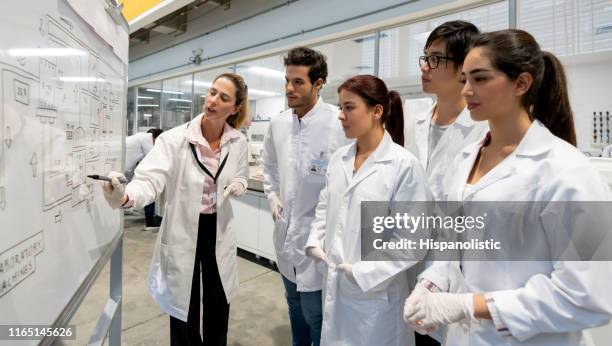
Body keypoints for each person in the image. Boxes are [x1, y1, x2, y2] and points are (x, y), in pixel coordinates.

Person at [403, 29, 612, 345]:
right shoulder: (465, 160)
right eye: (464, 79)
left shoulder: (566, 170)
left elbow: (588, 295)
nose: (468, 90)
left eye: (480, 79)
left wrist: (471, 305)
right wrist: (430, 285)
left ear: (521, 83)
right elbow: (453, 244)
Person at [101, 73, 250, 346]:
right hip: (184, 229)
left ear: (236, 108)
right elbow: (148, 181)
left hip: (217, 227)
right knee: (184, 304)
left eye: (223, 97)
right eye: (212, 92)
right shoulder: (174, 140)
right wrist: (125, 197)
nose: (213, 100)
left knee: (218, 302)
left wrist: (240, 182)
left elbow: (241, 172)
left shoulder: (238, 142)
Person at [305, 74, 433, 346]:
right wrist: (315, 240)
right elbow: (326, 206)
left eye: (349, 107)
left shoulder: (403, 166)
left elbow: (412, 241)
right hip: (336, 286)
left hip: (376, 298)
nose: (341, 115)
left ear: (376, 111)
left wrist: (363, 272)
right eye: (340, 107)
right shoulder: (340, 158)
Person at [261, 46, 346, 346]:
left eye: (298, 82)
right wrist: (272, 196)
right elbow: (268, 164)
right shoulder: (279, 123)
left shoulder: (338, 123)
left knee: (316, 314)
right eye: (287, 80)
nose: (288, 88)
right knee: (293, 304)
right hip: (286, 235)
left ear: (318, 84)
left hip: (319, 243)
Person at [404, 20, 488, 200]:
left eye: (435, 59)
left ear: (464, 67)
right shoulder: (415, 123)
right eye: (426, 58)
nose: (424, 67)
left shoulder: (484, 129)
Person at [125, 128, 164, 230]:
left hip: (125, 166)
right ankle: (150, 222)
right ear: (157, 138)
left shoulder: (140, 137)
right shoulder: (147, 139)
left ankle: (150, 220)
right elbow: (153, 158)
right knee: (150, 185)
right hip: (124, 166)